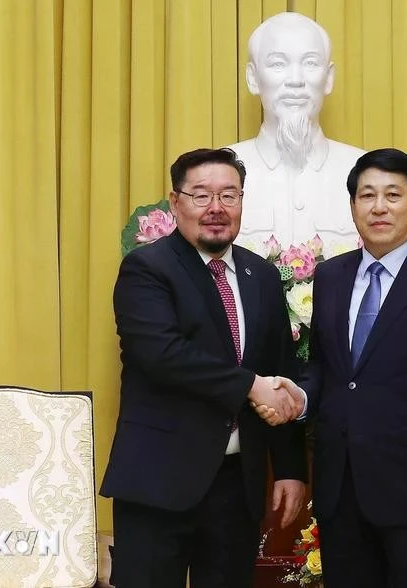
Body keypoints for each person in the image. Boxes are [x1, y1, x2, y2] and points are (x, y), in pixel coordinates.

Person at [266, 148, 407, 587]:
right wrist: (302, 396)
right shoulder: (330, 277)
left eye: (393, 195)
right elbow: (332, 371)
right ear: (353, 206)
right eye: (367, 195)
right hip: (341, 490)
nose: (379, 207)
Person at [101, 147, 307, 588]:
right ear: (175, 203)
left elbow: (280, 369)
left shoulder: (262, 276)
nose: (216, 208)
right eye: (201, 195)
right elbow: (162, 354)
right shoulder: (147, 268)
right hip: (159, 480)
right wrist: (251, 385)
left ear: (241, 203)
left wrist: (289, 467)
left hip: (238, 484)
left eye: (228, 196)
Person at [228, 12, 365, 253]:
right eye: (278, 64)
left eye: (310, 63)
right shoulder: (214, 174)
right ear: (252, 78)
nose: (295, 80)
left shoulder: (366, 172)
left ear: (329, 78)